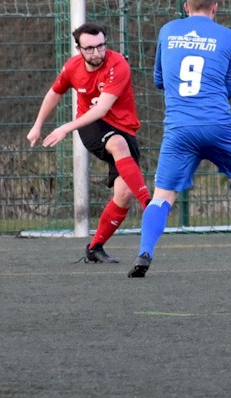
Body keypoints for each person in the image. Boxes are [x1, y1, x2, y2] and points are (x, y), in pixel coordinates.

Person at [128, 0, 231, 277]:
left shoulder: (167, 31)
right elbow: (230, 87)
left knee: (163, 195)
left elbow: (159, 79)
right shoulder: (230, 37)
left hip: (179, 128)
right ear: (215, 8)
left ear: (186, 7)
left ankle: (145, 252)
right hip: (219, 125)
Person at [27, 23, 151, 264]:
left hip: (123, 127)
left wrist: (64, 128)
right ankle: (149, 203)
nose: (97, 52)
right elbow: (54, 93)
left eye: (101, 46)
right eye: (90, 48)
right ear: (79, 49)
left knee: (123, 193)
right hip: (91, 125)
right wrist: (38, 125)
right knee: (117, 145)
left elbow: (104, 107)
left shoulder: (118, 65)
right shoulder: (72, 67)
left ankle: (95, 247)